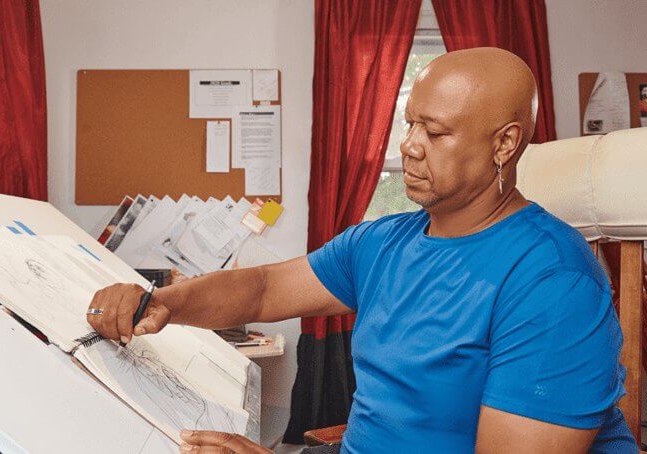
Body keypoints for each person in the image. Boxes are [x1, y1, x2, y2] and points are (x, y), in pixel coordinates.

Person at [87, 48, 636, 453]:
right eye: (410, 124)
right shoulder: (385, 240)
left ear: (505, 143)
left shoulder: (553, 283)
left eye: (436, 133)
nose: (410, 146)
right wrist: (163, 303)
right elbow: (264, 289)